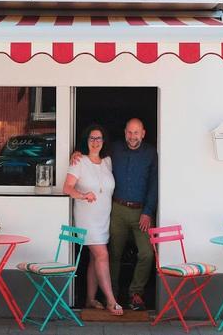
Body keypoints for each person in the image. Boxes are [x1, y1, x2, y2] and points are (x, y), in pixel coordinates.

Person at [72, 118, 158, 311]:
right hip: (116, 210)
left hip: (141, 212)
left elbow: (154, 184)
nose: (132, 136)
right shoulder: (114, 151)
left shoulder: (151, 153)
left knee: (146, 253)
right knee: (113, 255)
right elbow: (94, 155)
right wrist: (76, 154)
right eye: (129, 132)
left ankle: (135, 294)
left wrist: (148, 212)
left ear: (143, 133)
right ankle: (112, 294)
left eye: (136, 133)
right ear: (124, 132)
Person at [63, 124, 123, 316]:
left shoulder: (107, 162)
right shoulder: (78, 161)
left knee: (94, 258)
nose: (95, 142)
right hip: (87, 218)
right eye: (92, 138)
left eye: (99, 139)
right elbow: (67, 188)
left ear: (103, 142)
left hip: (103, 217)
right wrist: (82, 195)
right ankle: (111, 301)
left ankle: (90, 299)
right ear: (86, 141)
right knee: (102, 255)